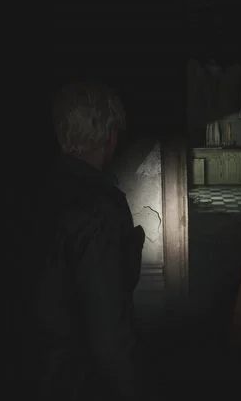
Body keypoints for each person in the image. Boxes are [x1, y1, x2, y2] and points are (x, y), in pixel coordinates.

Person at [32, 81, 145, 400]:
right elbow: (109, 334)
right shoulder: (99, 209)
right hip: (80, 380)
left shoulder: (39, 194)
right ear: (111, 138)